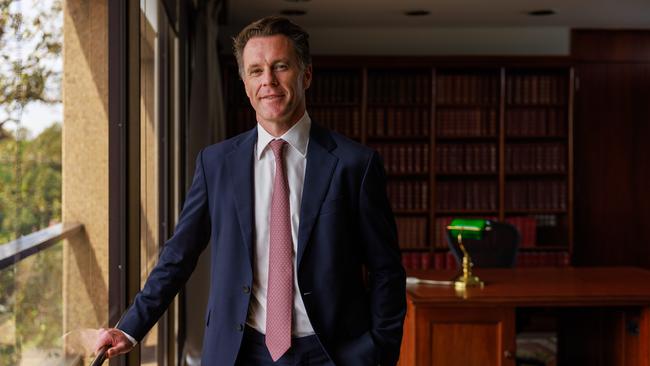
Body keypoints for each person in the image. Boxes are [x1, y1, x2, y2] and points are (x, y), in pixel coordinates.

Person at [95, 15, 406, 366]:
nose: (268, 81)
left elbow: (386, 270)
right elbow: (178, 255)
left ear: (306, 75)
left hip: (332, 353)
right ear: (245, 85)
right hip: (239, 353)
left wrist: (380, 350)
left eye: (280, 67)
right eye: (256, 71)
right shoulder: (216, 164)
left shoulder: (355, 164)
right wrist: (130, 328)